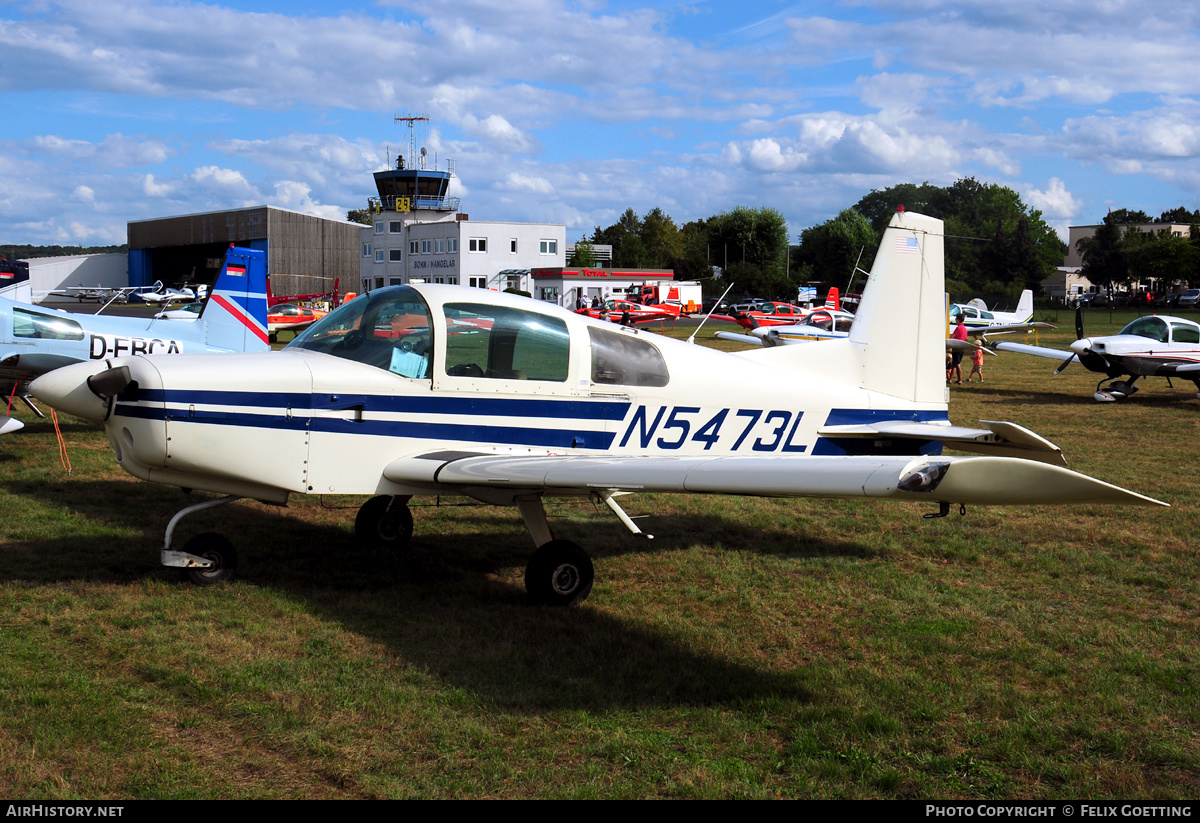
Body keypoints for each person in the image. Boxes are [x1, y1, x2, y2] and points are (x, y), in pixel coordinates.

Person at [949, 318, 969, 384]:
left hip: (957, 348)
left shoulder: (958, 328)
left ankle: (960, 380)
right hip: (962, 347)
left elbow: (952, 337)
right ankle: (950, 379)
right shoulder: (964, 328)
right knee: (954, 364)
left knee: (957, 364)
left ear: (958, 320)